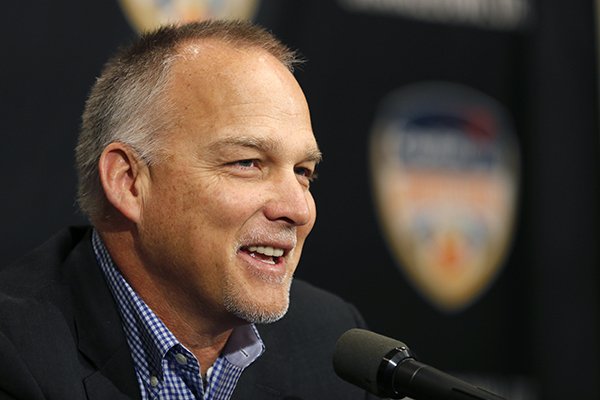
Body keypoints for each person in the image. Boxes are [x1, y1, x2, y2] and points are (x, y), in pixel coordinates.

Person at [0, 20, 372, 400]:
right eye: (247, 163)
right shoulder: (15, 353)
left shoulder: (331, 344)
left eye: (303, 172)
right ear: (129, 181)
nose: (298, 209)